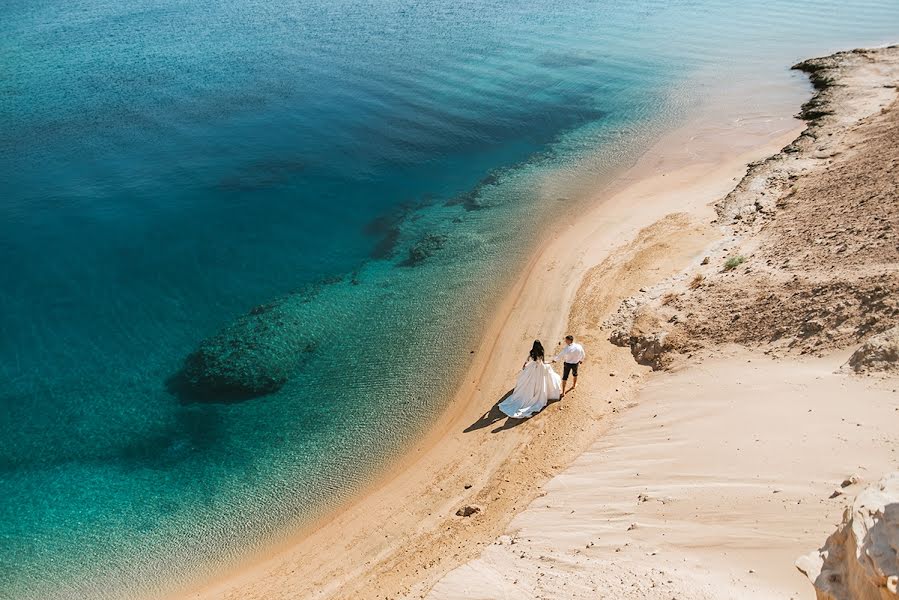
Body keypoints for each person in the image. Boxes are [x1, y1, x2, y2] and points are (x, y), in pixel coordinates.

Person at [498, 340, 562, 419]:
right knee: (542, 381)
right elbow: (543, 362)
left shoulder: (532, 352)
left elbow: (528, 359)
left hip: (532, 366)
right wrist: (551, 361)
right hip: (540, 368)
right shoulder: (541, 351)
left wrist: (524, 364)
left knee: (528, 381)